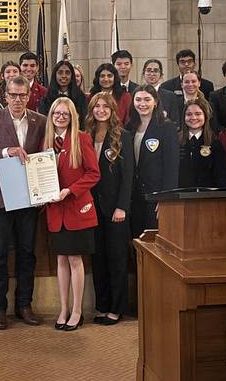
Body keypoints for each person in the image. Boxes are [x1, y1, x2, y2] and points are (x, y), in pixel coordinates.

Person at [0, 75, 46, 330]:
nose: (17, 100)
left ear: (29, 96)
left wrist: (44, 191)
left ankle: (24, 305)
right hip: (0, 199)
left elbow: (45, 157)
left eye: (22, 95)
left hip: (29, 197)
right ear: (4, 96)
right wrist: (8, 152)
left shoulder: (41, 121)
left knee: (27, 253)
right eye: (13, 95)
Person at [44, 97, 100, 331]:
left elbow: (93, 174)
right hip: (55, 211)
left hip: (77, 208)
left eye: (65, 114)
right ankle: (63, 308)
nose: (60, 117)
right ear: (51, 116)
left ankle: (77, 310)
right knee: (61, 259)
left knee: (76, 259)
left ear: (72, 116)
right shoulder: (45, 142)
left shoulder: (82, 139)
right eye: (57, 113)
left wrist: (70, 190)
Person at [85, 92, 134, 326]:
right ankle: (102, 306)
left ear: (112, 110)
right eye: (97, 106)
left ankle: (117, 308)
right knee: (99, 259)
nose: (101, 110)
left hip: (115, 209)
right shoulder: (86, 136)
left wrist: (122, 206)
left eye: (105, 106)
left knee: (117, 259)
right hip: (91, 208)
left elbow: (128, 177)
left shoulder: (122, 136)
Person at [127, 85, 180, 237]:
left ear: (155, 101)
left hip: (156, 197)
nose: (142, 104)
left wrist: (165, 200)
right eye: (138, 100)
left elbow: (171, 167)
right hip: (135, 197)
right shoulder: (130, 127)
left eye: (147, 99)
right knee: (137, 240)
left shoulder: (166, 126)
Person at [179, 98, 226, 189]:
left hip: (208, 198)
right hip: (182, 198)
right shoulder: (176, 142)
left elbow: (221, 176)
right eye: (189, 114)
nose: (193, 118)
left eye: (198, 114)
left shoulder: (215, 143)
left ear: (205, 116)